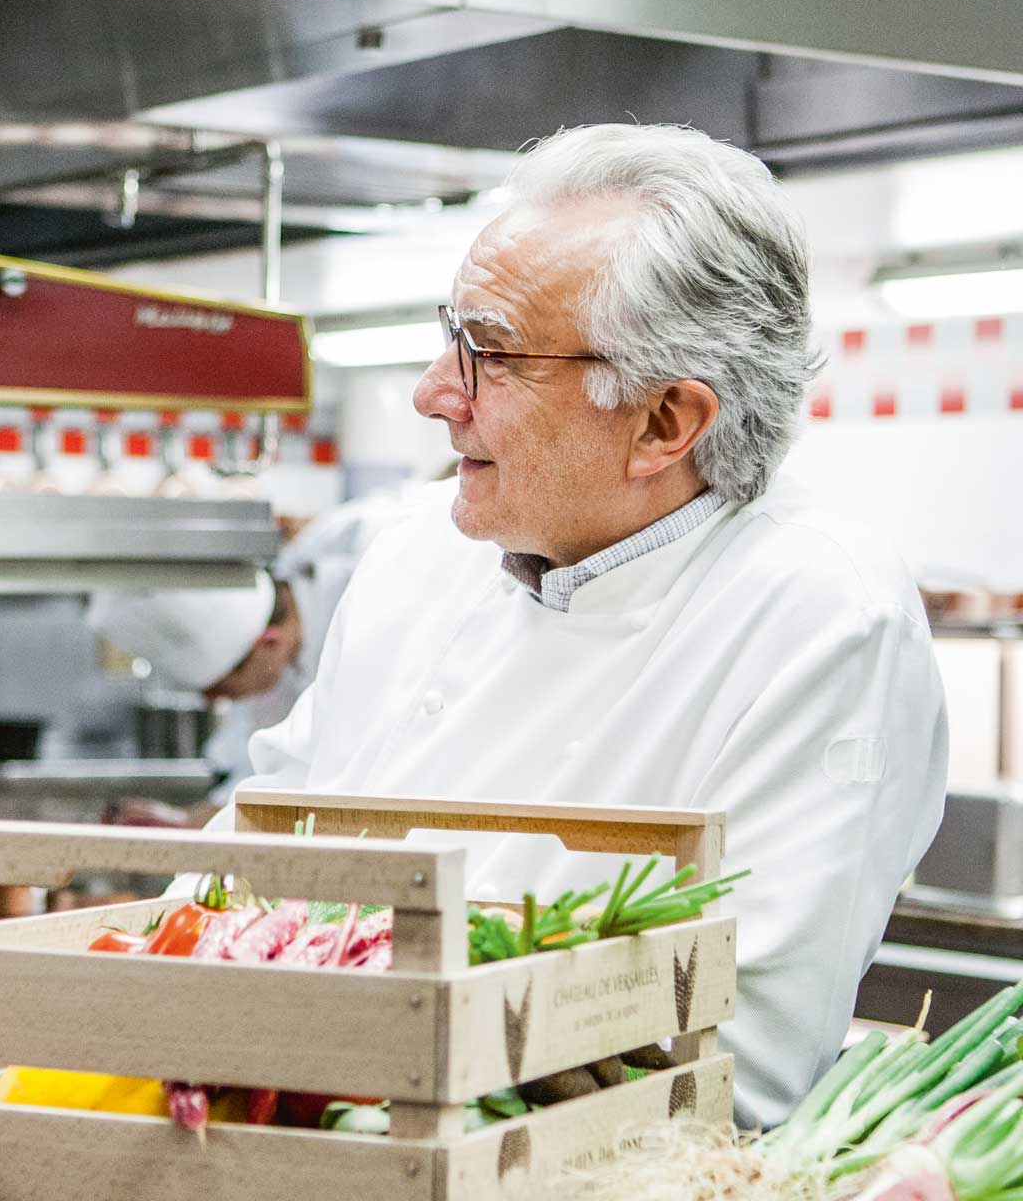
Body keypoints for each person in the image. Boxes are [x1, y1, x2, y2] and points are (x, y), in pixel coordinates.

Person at [219, 124, 948, 1129]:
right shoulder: (416, 550)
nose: (434, 392)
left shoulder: (821, 611)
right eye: (449, 334)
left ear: (663, 423)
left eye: (491, 354)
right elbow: (254, 852)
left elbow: (729, 1061)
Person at [86, 491, 405, 792]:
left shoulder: (368, 562)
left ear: (269, 641)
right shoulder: (273, 668)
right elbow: (258, 765)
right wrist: (188, 821)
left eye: (225, 687)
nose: (215, 702)